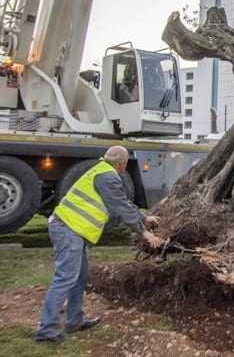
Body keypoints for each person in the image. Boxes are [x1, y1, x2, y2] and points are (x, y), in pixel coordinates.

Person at [36, 147, 164, 343]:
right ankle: (46, 330)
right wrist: (144, 233)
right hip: (68, 230)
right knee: (65, 278)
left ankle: (74, 321)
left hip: (73, 230)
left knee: (79, 278)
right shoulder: (108, 177)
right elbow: (120, 206)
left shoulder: (101, 170)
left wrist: (144, 218)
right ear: (122, 163)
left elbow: (122, 202)